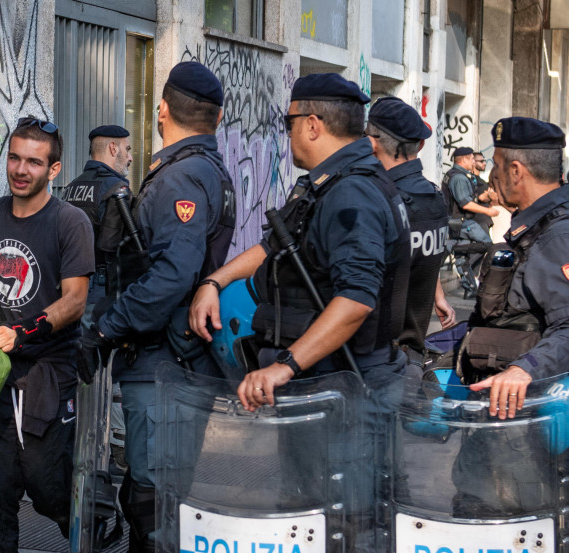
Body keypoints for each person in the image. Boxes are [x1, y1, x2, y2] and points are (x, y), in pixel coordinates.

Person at [75, 62, 236, 553]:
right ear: (217, 117)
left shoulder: (183, 178)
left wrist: (106, 326)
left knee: (156, 504)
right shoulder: (199, 168)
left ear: (161, 111)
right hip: (168, 361)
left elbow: (171, 276)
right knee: (148, 496)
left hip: (167, 363)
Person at [190, 72, 412, 404]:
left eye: (288, 122)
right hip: (326, 379)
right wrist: (214, 282)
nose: (287, 132)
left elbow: (356, 299)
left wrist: (286, 365)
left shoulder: (352, 193)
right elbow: (274, 248)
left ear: (312, 125)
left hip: (345, 388)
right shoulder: (329, 185)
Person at [0, 117, 94, 553]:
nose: (21, 170)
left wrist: (24, 332)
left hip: (47, 371)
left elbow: (75, 300)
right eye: (15, 158)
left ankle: (86, 547)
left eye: (34, 162)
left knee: (46, 486)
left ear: (54, 168)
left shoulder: (70, 223)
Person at [450, 118, 569, 517]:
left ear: (516, 170)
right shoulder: (535, 228)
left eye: (497, 165)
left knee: (509, 529)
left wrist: (524, 370)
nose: (492, 174)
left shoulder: (556, 236)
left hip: (524, 427)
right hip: (505, 417)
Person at [364, 97, 456, 362]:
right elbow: (418, 250)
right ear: (422, 144)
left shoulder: (380, 199)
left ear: (371, 143)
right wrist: (437, 294)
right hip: (411, 353)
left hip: (374, 359)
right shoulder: (434, 197)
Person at [60, 124, 132, 301]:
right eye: (127, 149)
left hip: (67, 286)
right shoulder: (116, 189)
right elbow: (119, 250)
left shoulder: (70, 188)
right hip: (103, 292)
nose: (130, 157)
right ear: (113, 148)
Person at [444, 146, 499, 246]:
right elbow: (465, 204)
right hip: (461, 223)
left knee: (463, 252)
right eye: (472, 159)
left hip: (458, 223)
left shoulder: (458, 174)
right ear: (465, 159)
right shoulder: (459, 178)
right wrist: (488, 211)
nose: (473, 162)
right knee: (487, 245)